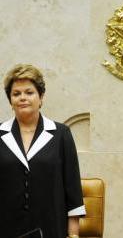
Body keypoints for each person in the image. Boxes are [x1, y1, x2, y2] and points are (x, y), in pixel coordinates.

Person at [0, 64, 86, 238]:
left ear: (41, 97)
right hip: (6, 227)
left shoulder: (61, 134)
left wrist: (74, 235)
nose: (22, 98)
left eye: (29, 92)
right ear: (10, 101)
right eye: (16, 94)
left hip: (51, 227)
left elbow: (73, 189)